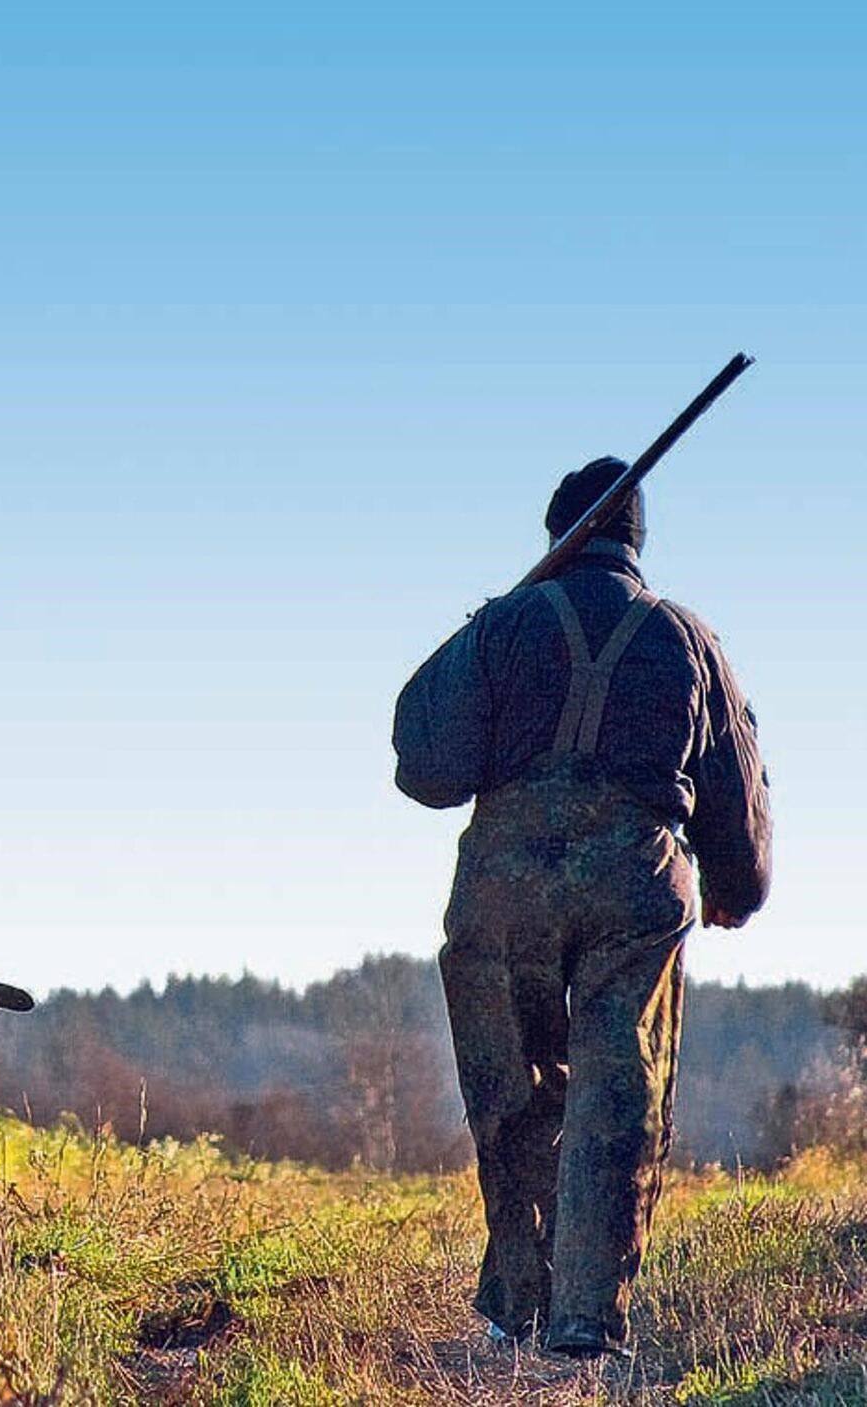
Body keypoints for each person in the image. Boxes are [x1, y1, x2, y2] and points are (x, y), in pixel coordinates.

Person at [393, 457, 771, 1359]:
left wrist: (478, 631)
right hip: (632, 892)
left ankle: (516, 1300)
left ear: (559, 536)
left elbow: (424, 763)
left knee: (512, 1092)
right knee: (617, 1091)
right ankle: (583, 1320)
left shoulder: (506, 628)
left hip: (502, 891)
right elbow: (737, 795)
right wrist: (735, 889)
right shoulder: (689, 640)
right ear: (633, 541)